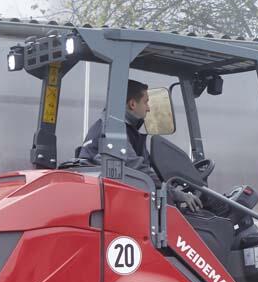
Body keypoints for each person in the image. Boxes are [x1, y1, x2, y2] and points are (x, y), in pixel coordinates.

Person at [79, 80, 202, 212]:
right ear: (132, 104)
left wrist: (171, 188)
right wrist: (176, 194)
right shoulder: (113, 132)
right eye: (145, 102)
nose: (148, 108)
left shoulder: (113, 129)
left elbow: (144, 168)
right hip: (119, 206)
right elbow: (139, 170)